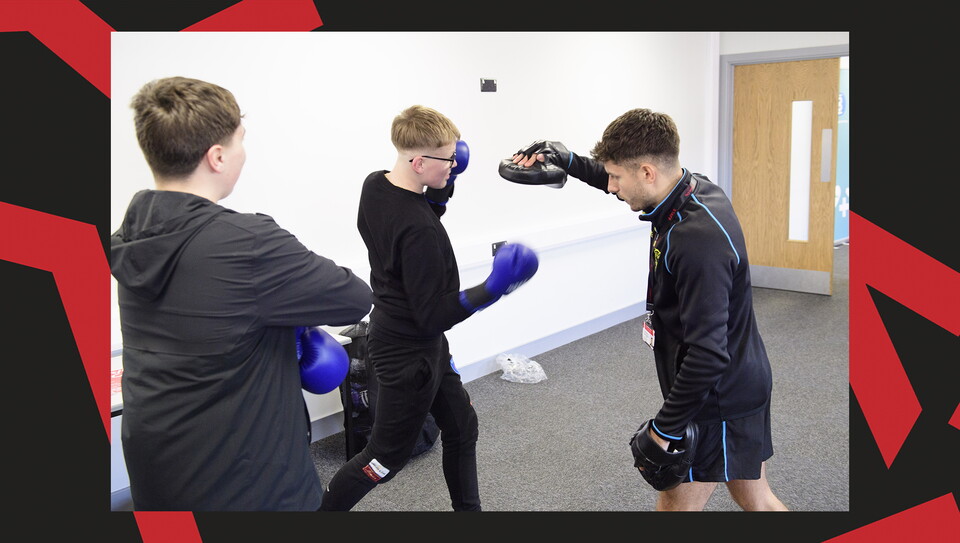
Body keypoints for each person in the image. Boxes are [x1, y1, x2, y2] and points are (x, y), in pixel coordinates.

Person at [111, 76, 373, 511]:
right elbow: (354, 297)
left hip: (158, 473)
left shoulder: (130, 237)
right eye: (240, 142)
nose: (243, 153)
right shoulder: (247, 241)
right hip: (247, 479)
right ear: (216, 156)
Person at [505, 108, 787, 511]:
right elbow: (613, 176)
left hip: (716, 398)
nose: (613, 187)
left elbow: (708, 354)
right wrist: (568, 160)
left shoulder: (696, 241)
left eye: (618, 178)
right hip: (740, 381)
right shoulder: (691, 190)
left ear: (647, 172)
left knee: (675, 505)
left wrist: (663, 430)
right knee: (756, 500)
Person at [319, 105, 539, 511]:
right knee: (385, 457)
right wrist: (493, 287)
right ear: (418, 161)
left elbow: (423, 212)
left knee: (462, 427)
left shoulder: (377, 185)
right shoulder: (416, 230)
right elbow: (433, 314)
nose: (454, 165)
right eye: (447, 160)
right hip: (408, 352)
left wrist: (442, 186)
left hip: (416, 339)